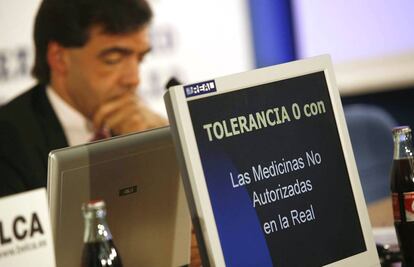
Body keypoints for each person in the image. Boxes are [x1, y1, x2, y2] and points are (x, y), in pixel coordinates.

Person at [0, 0, 166, 197]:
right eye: (113, 59)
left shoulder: (144, 124)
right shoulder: (8, 140)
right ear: (59, 58)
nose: (134, 79)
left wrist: (161, 149)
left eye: (140, 59)